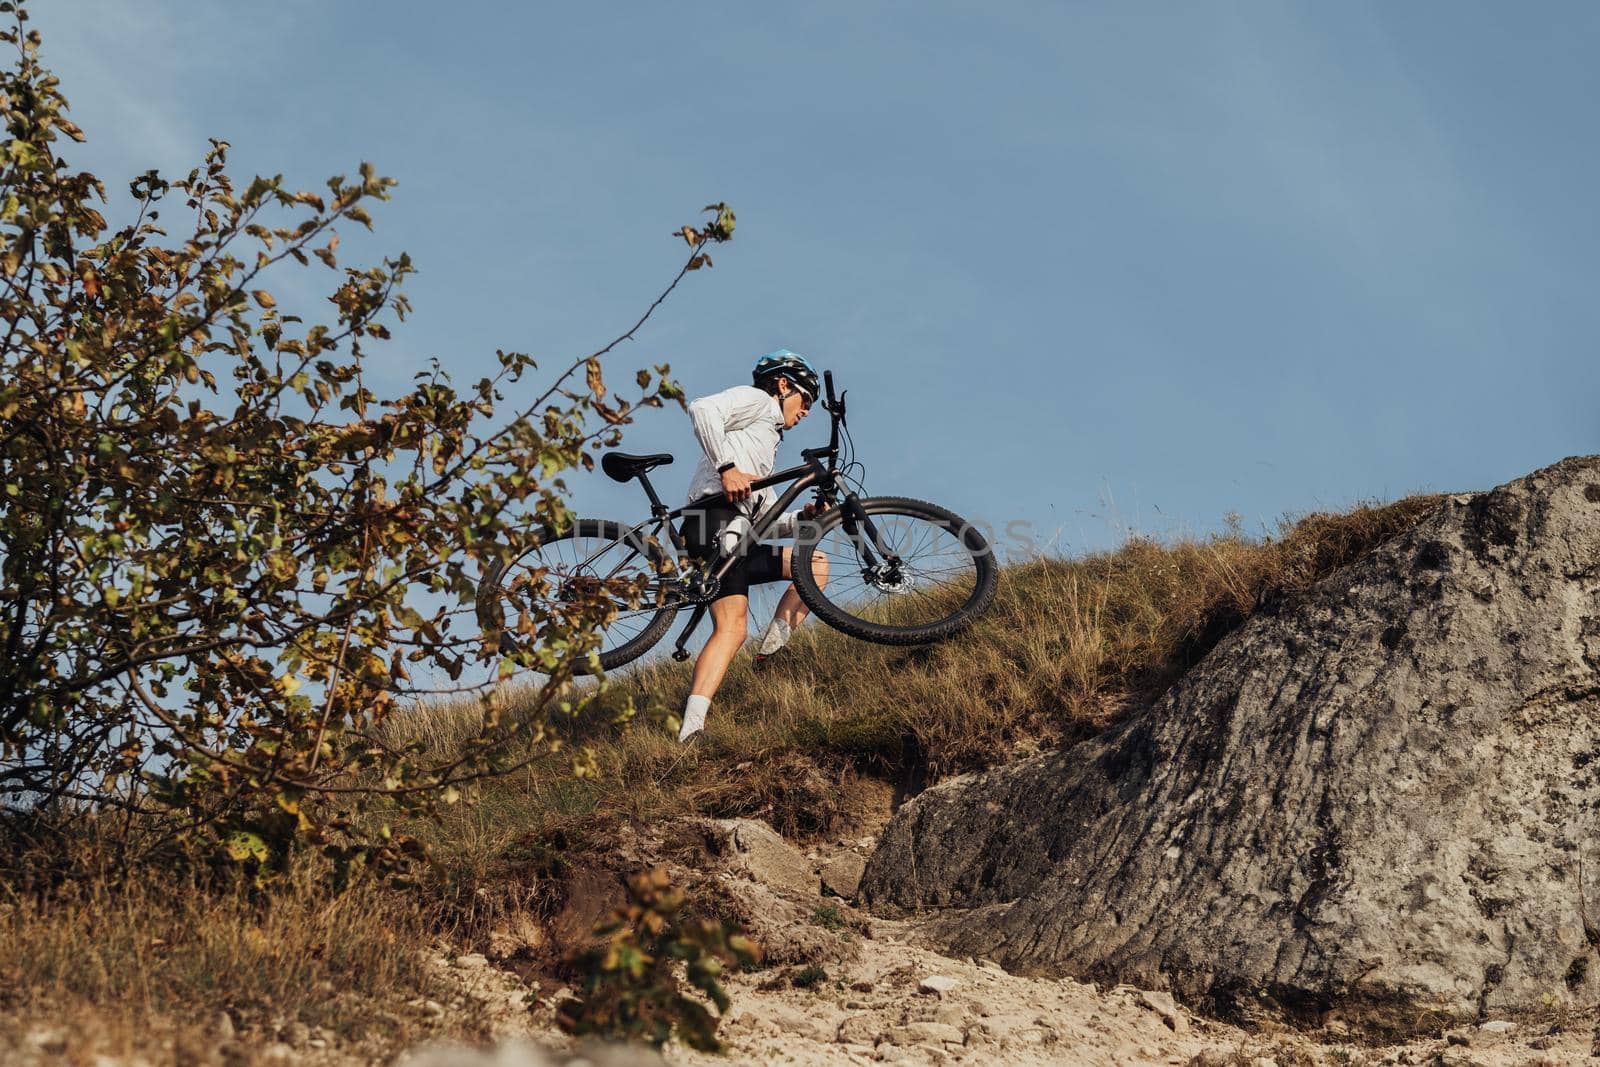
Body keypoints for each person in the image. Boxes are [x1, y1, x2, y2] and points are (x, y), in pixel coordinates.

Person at [676, 350, 830, 742]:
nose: (807, 411)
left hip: (738, 530)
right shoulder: (759, 401)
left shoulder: (763, 446)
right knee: (731, 627)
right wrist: (727, 469)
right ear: (783, 386)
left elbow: (764, 521)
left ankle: (769, 655)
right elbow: (702, 409)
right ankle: (691, 727)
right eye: (806, 399)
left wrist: (803, 519)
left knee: (815, 564)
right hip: (710, 519)